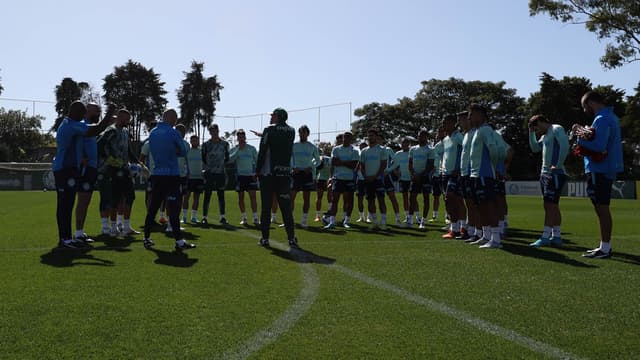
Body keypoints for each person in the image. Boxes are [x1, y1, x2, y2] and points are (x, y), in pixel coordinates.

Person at [53, 101, 112, 249]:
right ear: (75, 112)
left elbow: (94, 129)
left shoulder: (71, 123)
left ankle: (67, 237)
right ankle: (65, 239)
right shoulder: (71, 124)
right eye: (82, 112)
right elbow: (95, 129)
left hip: (69, 169)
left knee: (67, 203)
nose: (83, 115)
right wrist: (109, 114)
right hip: (65, 168)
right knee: (65, 205)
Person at [575, 91, 623, 259]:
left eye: (584, 107)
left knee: (601, 208)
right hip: (606, 167)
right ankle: (604, 246)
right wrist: (586, 133)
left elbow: (598, 146)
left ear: (591, 104)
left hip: (600, 168)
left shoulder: (602, 118)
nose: (584, 111)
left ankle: (605, 248)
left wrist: (579, 138)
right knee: (601, 207)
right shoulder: (611, 116)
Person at [142, 109, 195, 251]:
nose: (176, 121)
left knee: (153, 207)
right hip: (171, 175)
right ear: (171, 118)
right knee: (174, 207)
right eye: (175, 118)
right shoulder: (173, 133)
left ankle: (146, 238)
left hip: (157, 174)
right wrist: (174, 150)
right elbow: (183, 151)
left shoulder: (153, 133)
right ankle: (179, 241)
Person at [256, 108, 298, 248]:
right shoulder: (291, 131)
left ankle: (265, 238)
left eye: (273, 115)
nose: (271, 117)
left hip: (269, 174)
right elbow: (280, 142)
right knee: (286, 208)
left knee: (266, 208)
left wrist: (257, 170)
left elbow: (263, 151)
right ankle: (291, 238)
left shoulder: (269, 130)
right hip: (284, 174)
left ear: (278, 117)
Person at [528, 115, 569, 247]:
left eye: (536, 127)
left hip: (555, 174)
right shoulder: (545, 136)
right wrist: (531, 133)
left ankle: (545, 237)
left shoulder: (556, 129)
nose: (537, 131)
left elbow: (565, 146)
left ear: (540, 122)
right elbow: (535, 148)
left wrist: (558, 164)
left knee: (550, 205)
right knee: (552, 205)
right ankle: (556, 236)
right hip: (545, 174)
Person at [99, 109, 140, 236]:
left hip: (124, 169)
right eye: (126, 119)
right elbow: (99, 146)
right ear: (119, 118)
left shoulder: (126, 132)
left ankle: (126, 227)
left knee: (130, 196)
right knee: (114, 199)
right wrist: (109, 159)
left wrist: (139, 163)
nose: (128, 121)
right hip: (111, 170)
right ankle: (112, 227)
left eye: (129, 119)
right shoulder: (110, 131)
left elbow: (129, 150)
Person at [467, 104, 500, 249]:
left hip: (484, 174)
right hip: (476, 174)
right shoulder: (477, 131)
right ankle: (486, 236)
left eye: (471, 114)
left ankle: (496, 239)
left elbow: (493, 149)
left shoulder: (486, 129)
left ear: (480, 114)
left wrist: (493, 167)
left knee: (488, 206)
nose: (469, 117)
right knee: (480, 206)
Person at [73, 102, 101, 243]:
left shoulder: (91, 128)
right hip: (85, 170)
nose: (99, 114)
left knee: (86, 202)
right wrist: (83, 158)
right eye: (97, 111)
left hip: (91, 168)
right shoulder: (83, 126)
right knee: (82, 202)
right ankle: (77, 233)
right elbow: (77, 142)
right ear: (89, 112)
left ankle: (80, 232)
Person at [324, 131, 359, 229]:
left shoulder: (355, 151)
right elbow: (334, 162)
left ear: (351, 139)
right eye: (344, 137)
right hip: (337, 178)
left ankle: (346, 221)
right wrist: (347, 162)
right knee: (335, 200)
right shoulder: (336, 149)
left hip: (349, 179)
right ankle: (332, 222)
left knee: (349, 200)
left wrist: (341, 162)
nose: (346, 139)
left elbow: (354, 165)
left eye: (348, 137)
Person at [440, 116, 466, 239]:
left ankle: (463, 228)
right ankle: (454, 229)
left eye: (446, 123)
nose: (443, 125)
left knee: (456, 199)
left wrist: (459, 167)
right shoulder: (445, 139)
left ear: (453, 124)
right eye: (443, 123)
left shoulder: (459, 136)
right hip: (445, 174)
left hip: (456, 173)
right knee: (449, 200)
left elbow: (465, 150)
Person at [290, 125, 320, 228]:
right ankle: (289, 220)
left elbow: (318, 160)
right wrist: (293, 167)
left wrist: (311, 167)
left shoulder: (312, 147)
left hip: (307, 174)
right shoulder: (294, 145)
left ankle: (304, 221)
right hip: (296, 174)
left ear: (308, 134)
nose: (302, 134)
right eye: (301, 132)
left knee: (306, 198)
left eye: (304, 132)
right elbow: (290, 158)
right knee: (291, 197)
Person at [228, 129, 259, 225]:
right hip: (240, 177)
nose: (241, 139)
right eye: (239, 137)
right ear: (237, 138)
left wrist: (256, 173)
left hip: (250, 176)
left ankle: (255, 218)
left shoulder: (251, 148)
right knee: (241, 198)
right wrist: (238, 150)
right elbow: (230, 160)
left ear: (245, 137)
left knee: (253, 197)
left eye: (242, 137)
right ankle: (244, 218)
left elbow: (257, 161)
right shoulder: (234, 149)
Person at [201, 123, 230, 225]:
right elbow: (203, 158)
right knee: (207, 195)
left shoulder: (225, 144)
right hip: (209, 173)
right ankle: (204, 217)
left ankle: (222, 216)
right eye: (212, 131)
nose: (214, 132)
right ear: (210, 132)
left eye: (215, 130)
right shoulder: (205, 145)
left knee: (221, 195)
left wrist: (221, 166)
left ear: (218, 130)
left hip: (220, 173)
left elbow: (227, 157)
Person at [360, 129, 388, 230]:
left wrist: (375, 176)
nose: (370, 137)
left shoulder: (381, 149)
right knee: (370, 201)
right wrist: (366, 176)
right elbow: (362, 166)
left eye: (372, 135)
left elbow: (383, 165)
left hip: (378, 179)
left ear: (376, 137)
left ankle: (383, 222)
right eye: (369, 136)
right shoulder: (364, 151)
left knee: (381, 200)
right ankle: (375, 222)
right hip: (368, 180)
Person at [408, 129, 434, 229]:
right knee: (412, 197)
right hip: (415, 177)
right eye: (419, 136)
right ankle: (410, 219)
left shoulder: (430, 149)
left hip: (425, 177)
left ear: (427, 138)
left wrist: (421, 174)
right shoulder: (413, 149)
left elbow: (430, 165)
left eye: (423, 136)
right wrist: (414, 174)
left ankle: (423, 221)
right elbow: (410, 164)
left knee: (426, 198)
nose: (421, 138)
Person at [387, 137, 412, 224]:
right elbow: (394, 166)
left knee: (413, 198)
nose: (404, 145)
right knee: (405, 198)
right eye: (402, 143)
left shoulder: (412, 152)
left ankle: (417, 216)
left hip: (412, 179)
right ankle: (407, 216)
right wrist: (398, 174)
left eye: (406, 143)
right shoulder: (398, 154)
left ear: (409, 144)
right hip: (403, 179)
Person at [380, 136, 402, 226]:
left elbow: (396, 162)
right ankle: (383, 220)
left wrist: (388, 170)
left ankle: (398, 219)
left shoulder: (388, 149)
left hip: (386, 177)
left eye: (379, 138)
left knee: (392, 197)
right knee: (379, 199)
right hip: (376, 178)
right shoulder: (370, 150)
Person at [183, 135, 204, 223]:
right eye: (193, 140)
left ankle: (193, 217)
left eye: (196, 140)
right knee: (186, 197)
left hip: (199, 178)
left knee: (196, 198)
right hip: (189, 178)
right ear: (191, 142)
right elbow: (184, 163)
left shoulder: (201, 152)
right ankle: (184, 217)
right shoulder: (188, 152)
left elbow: (205, 164)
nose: (195, 142)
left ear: (198, 141)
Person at [430, 127, 445, 223]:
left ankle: (448, 217)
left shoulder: (449, 143)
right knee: (436, 196)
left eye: (440, 131)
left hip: (445, 173)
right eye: (438, 132)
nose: (438, 133)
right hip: (436, 174)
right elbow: (435, 161)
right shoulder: (437, 146)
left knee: (446, 196)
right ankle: (435, 216)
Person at [314, 148, 332, 222]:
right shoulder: (315, 160)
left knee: (328, 196)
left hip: (327, 179)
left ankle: (329, 213)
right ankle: (318, 215)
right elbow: (316, 168)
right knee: (320, 197)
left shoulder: (327, 158)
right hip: (321, 178)